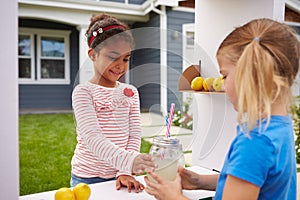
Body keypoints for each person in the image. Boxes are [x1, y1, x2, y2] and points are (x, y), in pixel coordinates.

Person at [144, 18, 299, 200]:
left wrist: (173, 197)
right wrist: (199, 181)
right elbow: (254, 179)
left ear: (251, 76)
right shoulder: (278, 125)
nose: (223, 86)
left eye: (224, 75)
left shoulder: (256, 141)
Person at [71, 13, 156, 193]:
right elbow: (92, 137)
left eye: (126, 59)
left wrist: (124, 170)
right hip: (87, 177)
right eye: (113, 57)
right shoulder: (83, 92)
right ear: (93, 55)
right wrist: (129, 161)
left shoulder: (130, 92)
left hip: (121, 174)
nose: (121, 65)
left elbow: (133, 135)